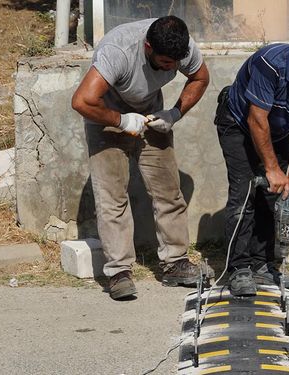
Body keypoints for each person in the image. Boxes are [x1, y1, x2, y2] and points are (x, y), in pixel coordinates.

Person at [71, 16, 211, 300]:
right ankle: (119, 272)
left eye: (176, 62)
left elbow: (200, 77)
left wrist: (174, 114)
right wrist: (121, 120)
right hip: (105, 117)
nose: (171, 68)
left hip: (151, 116)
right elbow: (82, 101)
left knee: (169, 192)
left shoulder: (182, 45)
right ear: (148, 46)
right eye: (164, 62)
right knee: (112, 198)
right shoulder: (119, 50)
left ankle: (175, 263)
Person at [214, 40, 289, 296]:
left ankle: (262, 266)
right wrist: (271, 168)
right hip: (239, 124)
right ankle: (238, 268)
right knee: (244, 193)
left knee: (276, 195)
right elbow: (256, 118)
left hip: (276, 130)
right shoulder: (269, 63)